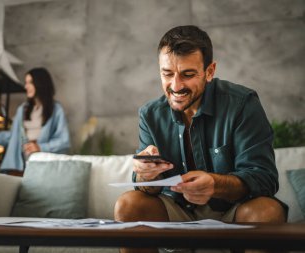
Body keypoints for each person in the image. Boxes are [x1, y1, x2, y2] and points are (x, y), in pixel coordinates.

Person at [114, 25, 286, 253]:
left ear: (209, 71)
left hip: (235, 211)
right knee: (128, 205)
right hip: (177, 211)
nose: (175, 86)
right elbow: (148, 190)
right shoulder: (150, 114)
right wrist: (145, 177)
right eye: (167, 74)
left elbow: (264, 179)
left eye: (187, 74)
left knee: (267, 212)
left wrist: (215, 184)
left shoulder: (242, 104)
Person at [0, 67, 70, 172]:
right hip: (18, 165)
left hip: (42, 167)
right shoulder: (22, 110)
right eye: (26, 82)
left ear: (40, 83)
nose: (26, 86)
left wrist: (41, 147)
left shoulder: (56, 110)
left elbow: (64, 141)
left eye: (30, 82)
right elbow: (13, 137)